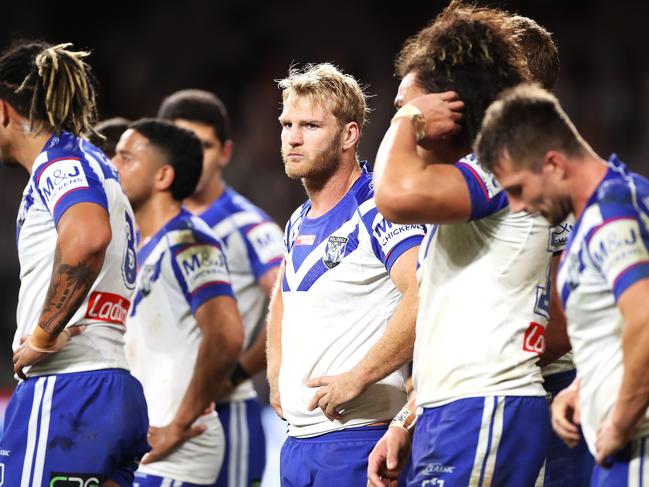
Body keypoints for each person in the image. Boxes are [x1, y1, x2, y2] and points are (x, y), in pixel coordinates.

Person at [368, 5, 567, 486]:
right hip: (456, 407)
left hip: (487, 402)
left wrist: (406, 122)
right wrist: (409, 418)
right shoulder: (464, 189)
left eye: (407, 105)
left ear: (445, 111)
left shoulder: (502, 163)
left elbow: (390, 197)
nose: (402, 117)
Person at [475, 83, 649, 486]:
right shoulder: (620, 198)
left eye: (518, 188)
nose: (518, 205)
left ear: (553, 163)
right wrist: (586, 385)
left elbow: (644, 317)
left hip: (636, 447)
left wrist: (620, 422)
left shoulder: (612, 214)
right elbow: (617, 324)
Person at [267, 63, 425, 486]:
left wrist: (358, 378)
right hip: (298, 444)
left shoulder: (379, 207)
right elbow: (286, 295)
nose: (293, 137)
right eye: (287, 124)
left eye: (311, 125)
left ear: (349, 135)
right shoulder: (297, 220)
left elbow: (424, 293)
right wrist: (276, 372)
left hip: (357, 440)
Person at [0, 41, 148, 486]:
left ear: (4, 111)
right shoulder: (95, 165)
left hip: (67, 387)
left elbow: (87, 239)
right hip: (111, 384)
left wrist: (42, 338)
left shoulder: (58, 164)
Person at [158, 89, 284, 487]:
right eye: (179, 144)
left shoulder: (248, 226)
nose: (191, 157)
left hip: (227, 415)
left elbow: (291, 301)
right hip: (160, 408)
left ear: (226, 153)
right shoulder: (148, 222)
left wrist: (236, 373)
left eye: (203, 146)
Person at [113, 119, 244, 486]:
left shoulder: (189, 239)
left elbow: (226, 335)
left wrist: (178, 424)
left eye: (126, 158)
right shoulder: (135, 246)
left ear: (163, 176)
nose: (113, 165)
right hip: (144, 444)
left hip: (174, 451)